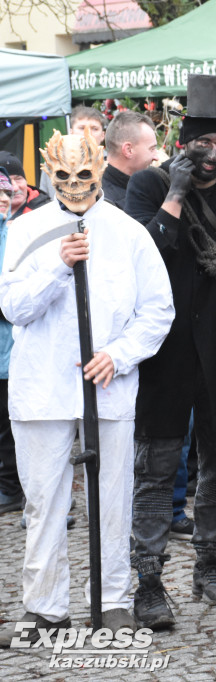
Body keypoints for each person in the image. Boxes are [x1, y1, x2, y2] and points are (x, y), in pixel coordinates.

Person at [0, 129, 174, 645]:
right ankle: (44, 608)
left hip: (107, 387)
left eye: (83, 175)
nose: (74, 186)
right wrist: (58, 265)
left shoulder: (128, 232)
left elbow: (157, 310)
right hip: (42, 387)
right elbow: (15, 308)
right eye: (62, 177)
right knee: (44, 500)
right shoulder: (27, 228)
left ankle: (115, 599)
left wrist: (118, 356)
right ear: (47, 174)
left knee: (113, 496)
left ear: (99, 169)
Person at [124, 75, 216, 630]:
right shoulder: (148, 186)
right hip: (165, 350)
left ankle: (209, 563)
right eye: (202, 148)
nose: (212, 159)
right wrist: (177, 194)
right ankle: (150, 579)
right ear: (182, 144)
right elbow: (146, 256)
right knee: (157, 468)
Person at [0, 169, 21, 516]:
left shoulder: (17, 233)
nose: (5, 197)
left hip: (9, 351)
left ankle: (10, 487)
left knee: (7, 426)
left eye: (7, 190)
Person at [102, 111, 160, 209]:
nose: (156, 157)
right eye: (152, 149)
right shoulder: (102, 201)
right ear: (128, 150)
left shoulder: (143, 186)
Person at [0, 152, 50, 219]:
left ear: (26, 181)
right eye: (7, 182)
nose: (15, 188)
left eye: (18, 179)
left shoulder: (47, 212)